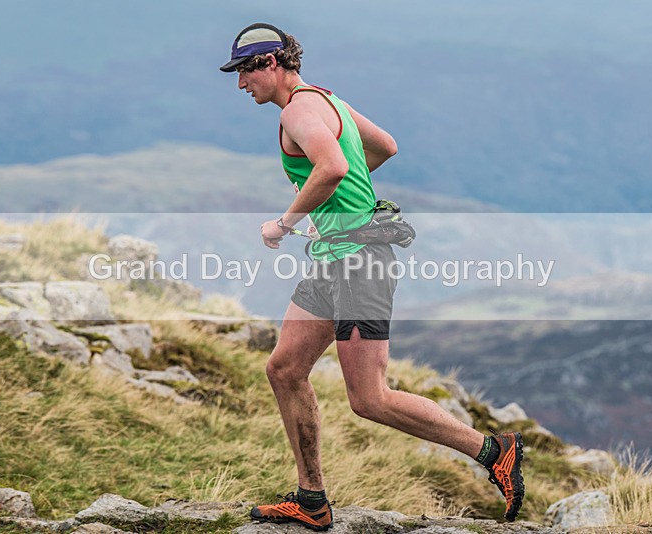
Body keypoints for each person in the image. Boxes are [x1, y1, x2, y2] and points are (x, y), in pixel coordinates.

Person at [220, 23, 525, 531]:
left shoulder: (297, 110)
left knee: (369, 398)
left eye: (245, 71)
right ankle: (312, 500)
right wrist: (336, 207)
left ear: (271, 62)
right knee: (285, 369)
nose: (240, 84)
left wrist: (285, 223)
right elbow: (384, 146)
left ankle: (493, 451)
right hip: (334, 258)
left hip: (360, 262)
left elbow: (333, 167)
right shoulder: (326, 100)